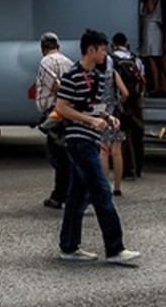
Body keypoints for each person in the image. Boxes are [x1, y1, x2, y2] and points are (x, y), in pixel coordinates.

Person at [56, 29, 141, 266]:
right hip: (78, 140)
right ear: (91, 49)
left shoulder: (93, 75)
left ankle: (69, 246)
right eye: (103, 49)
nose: (106, 53)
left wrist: (106, 116)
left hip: (90, 139)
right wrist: (91, 121)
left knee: (77, 196)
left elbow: (89, 106)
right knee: (102, 192)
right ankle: (115, 248)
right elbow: (62, 107)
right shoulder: (72, 75)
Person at [34, 31, 73, 209]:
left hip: (55, 113)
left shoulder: (46, 62)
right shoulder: (68, 61)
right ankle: (61, 194)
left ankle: (61, 195)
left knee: (58, 156)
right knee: (64, 153)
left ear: (43, 48)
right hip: (66, 112)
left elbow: (56, 85)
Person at [111, 33, 146, 180]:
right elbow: (143, 79)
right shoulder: (135, 59)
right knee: (138, 135)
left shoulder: (111, 60)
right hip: (136, 101)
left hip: (122, 101)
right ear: (126, 43)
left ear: (113, 44)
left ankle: (127, 170)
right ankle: (138, 168)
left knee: (123, 136)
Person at [96, 45, 129, 197]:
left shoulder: (93, 74)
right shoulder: (113, 74)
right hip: (115, 114)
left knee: (103, 152)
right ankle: (117, 186)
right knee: (116, 152)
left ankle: (105, 185)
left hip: (100, 114)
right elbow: (125, 93)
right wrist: (118, 102)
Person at [139, 0, 164, 95]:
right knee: (152, 59)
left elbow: (150, 8)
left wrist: (146, 0)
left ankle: (156, 86)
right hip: (151, 28)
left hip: (151, 29)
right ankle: (156, 85)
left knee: (152, 58)